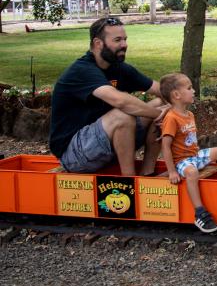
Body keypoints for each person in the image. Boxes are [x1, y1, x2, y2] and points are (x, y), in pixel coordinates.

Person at [49, 17, 168, 176]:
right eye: (117, 40)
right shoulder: (82, 70)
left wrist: (174, 105)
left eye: (125, 39)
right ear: (98, 43)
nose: (124, 45)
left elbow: (161, 90)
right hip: (74, 155)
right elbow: (119, 100)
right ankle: (129, 182)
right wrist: (161, 114)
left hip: (104, 146)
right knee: (123, 116)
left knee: (161, 102)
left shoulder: (118, 68)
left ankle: (148, 172)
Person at [159, 72, 217, 233]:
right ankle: (199, 212)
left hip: (194, 156)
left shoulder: (189, 114)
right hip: (182, 161)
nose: (194, 91)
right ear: (176, 95)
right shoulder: (171, 118)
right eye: (189, 88)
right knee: (191, 172)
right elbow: (165, 146)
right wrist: (171, 172)